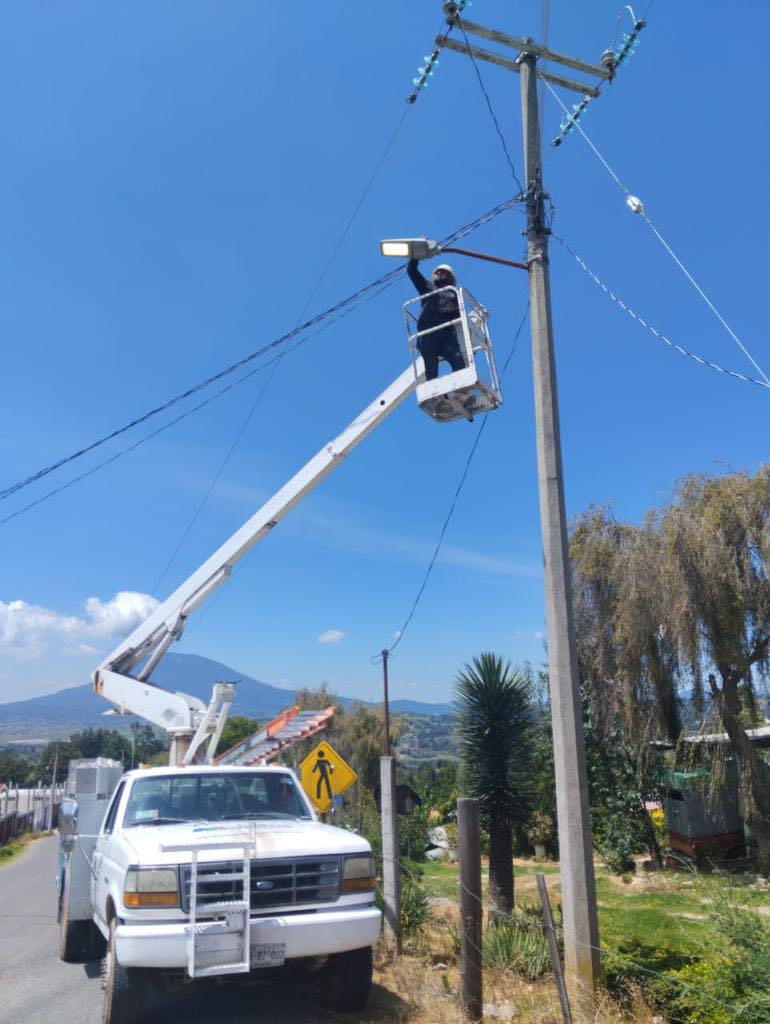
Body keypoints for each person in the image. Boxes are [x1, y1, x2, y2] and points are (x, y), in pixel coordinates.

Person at [407, 257, 467, 381]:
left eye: (443, 272)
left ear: (450, 277)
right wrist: (415, 255)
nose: (439, 273)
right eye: (437, 272)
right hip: (428, 332)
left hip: (446, 334)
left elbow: (459, 313)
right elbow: (412, 271)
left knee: (458, 360)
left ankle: (462, 392)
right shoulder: (426, 287)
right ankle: (434, 396)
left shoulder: (453, 293)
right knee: (430, 365)